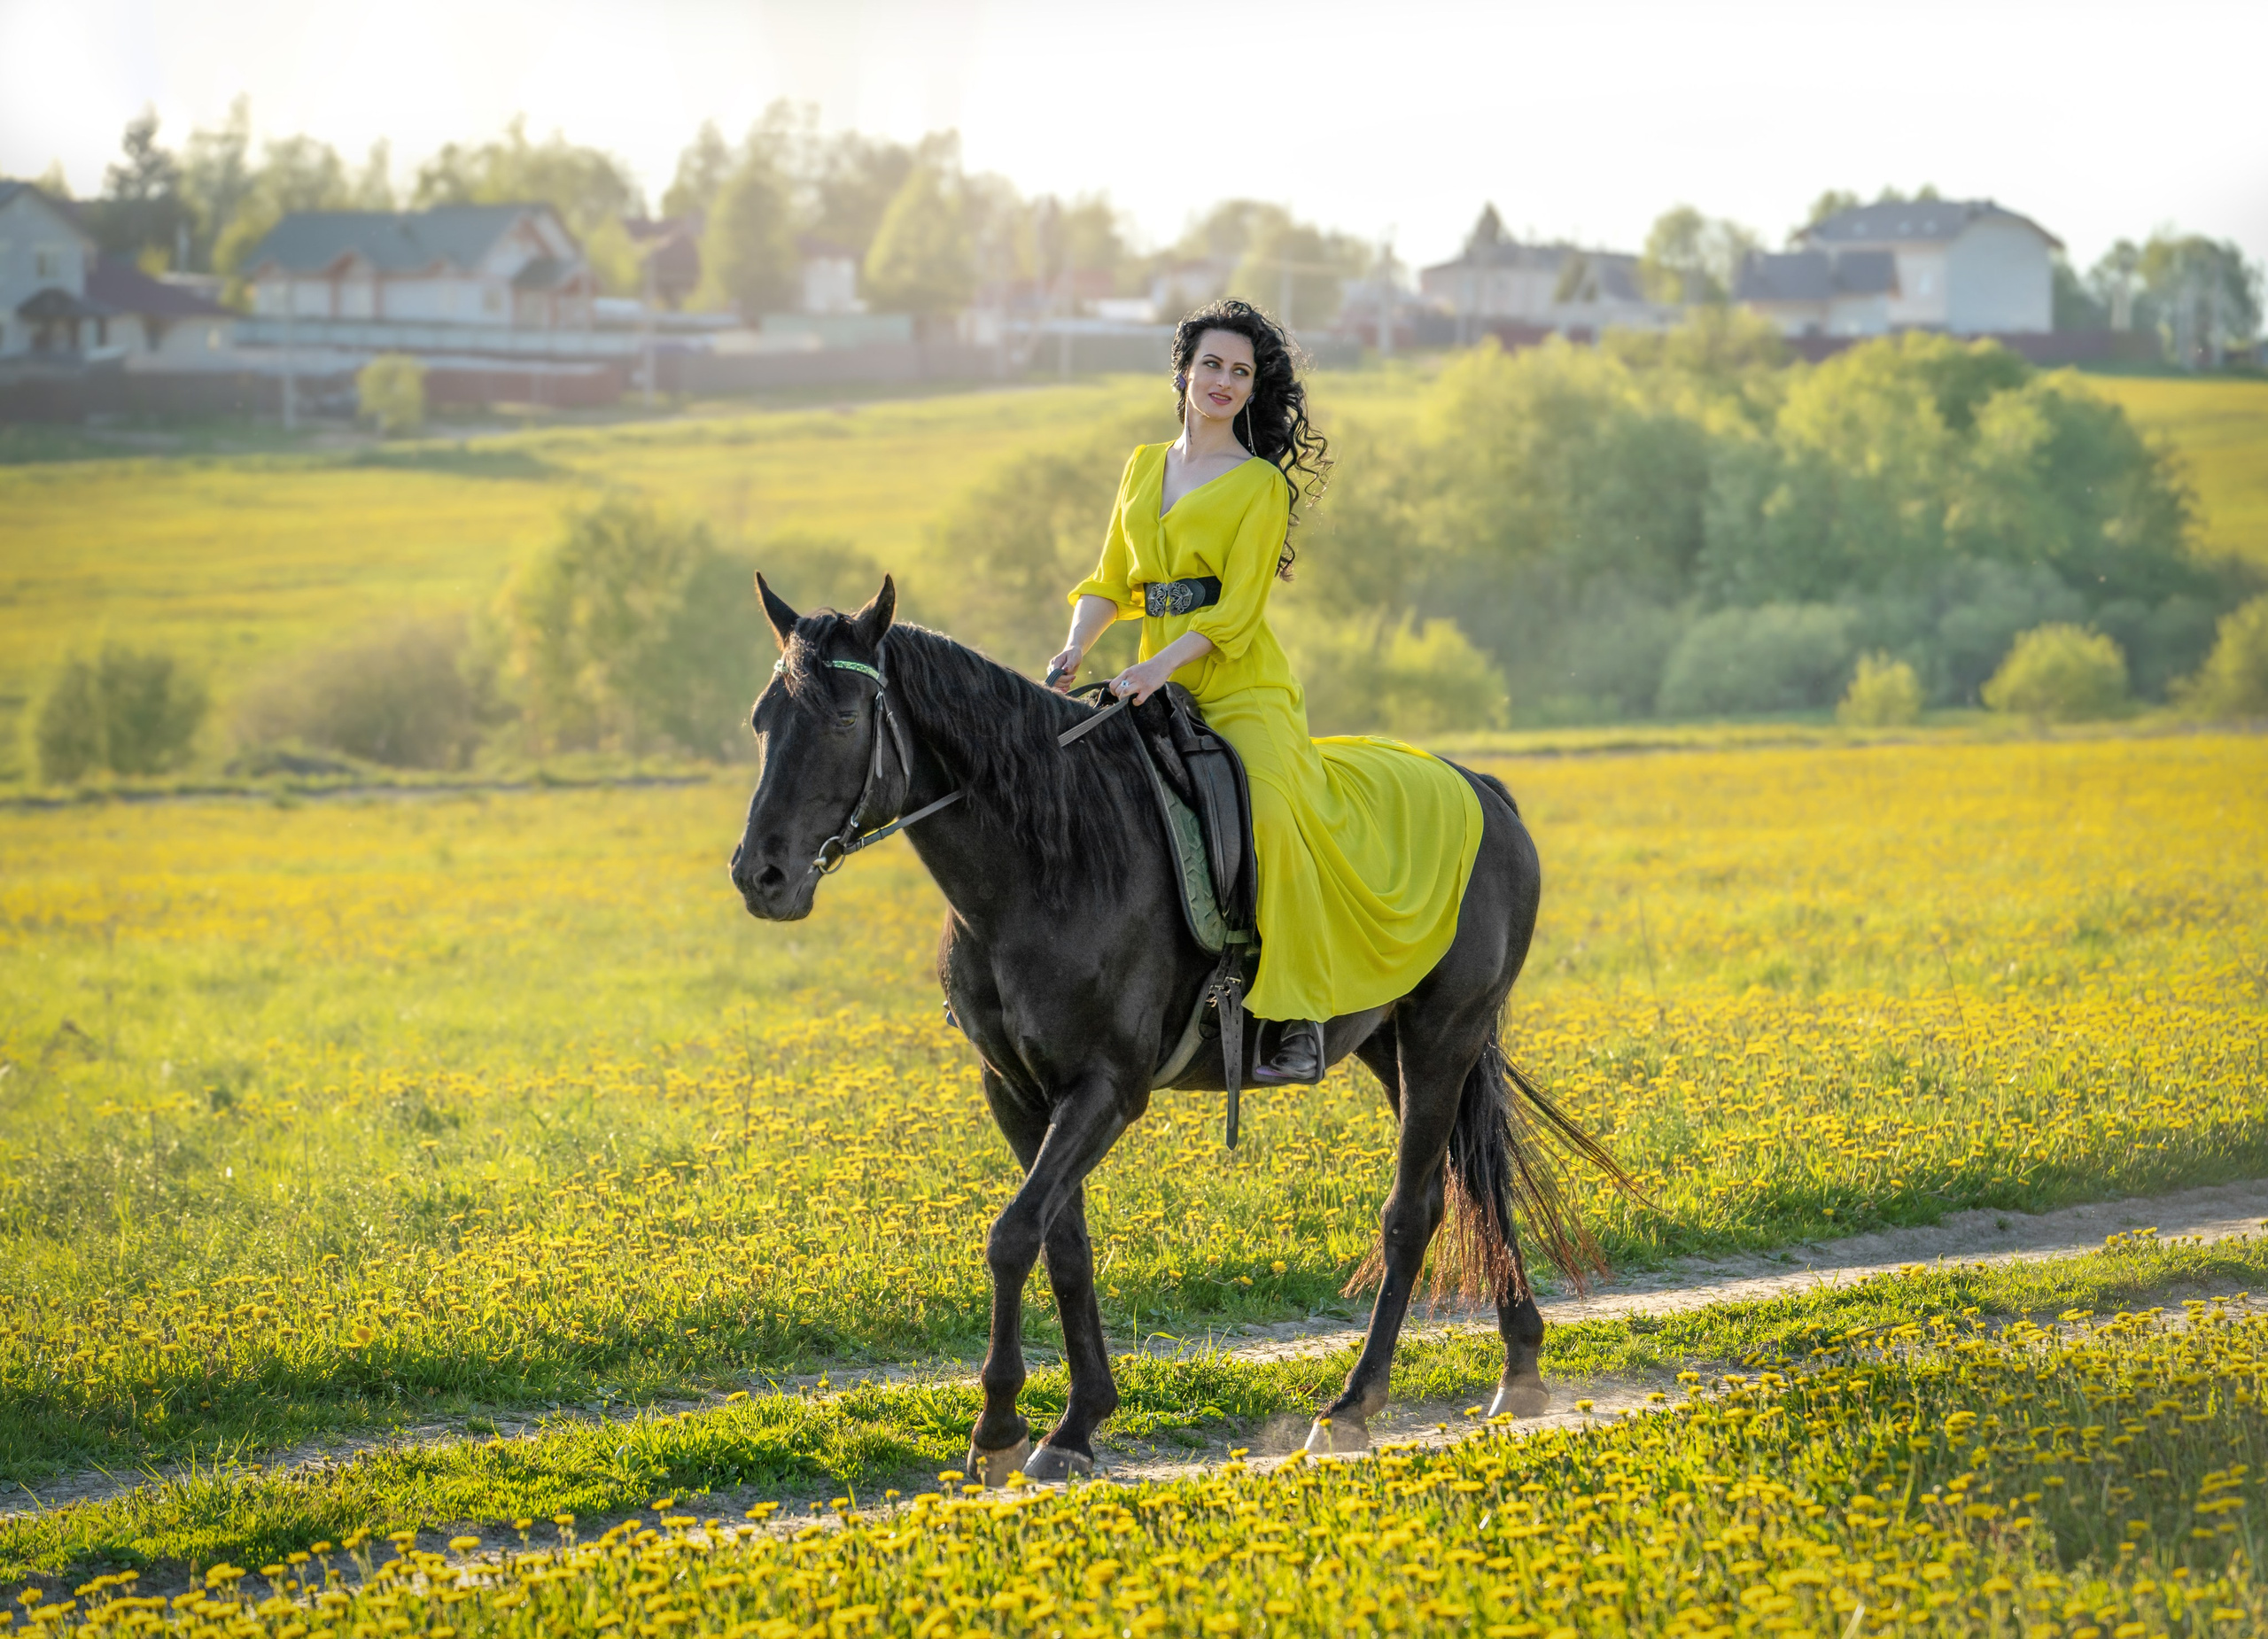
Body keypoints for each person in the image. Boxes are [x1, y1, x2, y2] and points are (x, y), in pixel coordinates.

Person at [1047, 299, 1484, 1084]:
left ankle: (1298, 1017)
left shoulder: (1259, 487)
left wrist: (1158, 667)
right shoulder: (1143, 466)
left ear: (1254, 391)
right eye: (1211, 365)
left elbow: (1236, 613)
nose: (1223, 382)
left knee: (1271, 812)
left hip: (1238, 685)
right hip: (1151, 680)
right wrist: (1079, 645)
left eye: (1240, 373)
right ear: (1183, 371)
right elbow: (1111, 580)